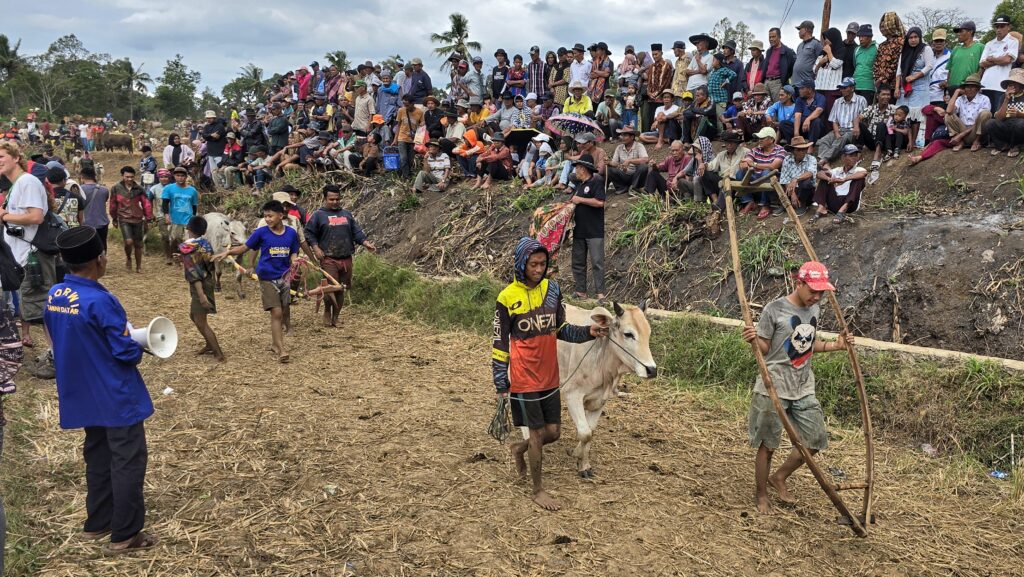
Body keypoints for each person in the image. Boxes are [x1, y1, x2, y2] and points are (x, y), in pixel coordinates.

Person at [45, 225, 158, 553]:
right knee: (127, 460)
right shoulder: (101, 300)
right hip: (114, 393)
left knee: (97, 456)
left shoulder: (56, 295)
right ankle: (125, 534)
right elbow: (124, 351)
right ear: (99, 260)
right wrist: (137, 343)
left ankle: (97, 523)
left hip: (82, 391)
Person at [492, 237, 607, 511]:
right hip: (523, 376)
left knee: (553, 433)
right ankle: (538, 489)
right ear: (522, 264)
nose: (538, 269)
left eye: (543, 264)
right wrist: (500, 382)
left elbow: (560, 329)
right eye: (533, 264)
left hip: (549, 376)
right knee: (535, 435)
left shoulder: (552, 291)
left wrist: (587, 332)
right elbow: (499, 344)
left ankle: (519, 449)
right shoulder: (506, 298)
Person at [742, 260, 854, 515]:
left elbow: (806, 344)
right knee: (768, 444)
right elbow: (766, 349)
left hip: (803, 385)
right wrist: (753, 339)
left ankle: (779, 477)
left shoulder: (814, 310)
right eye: (812, 291)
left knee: (814, 439)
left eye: (821, 292)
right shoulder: (775, 310)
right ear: (799, 283)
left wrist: (834, 346)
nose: (817, 297)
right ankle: (761, 494)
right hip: (774, 385)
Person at [214, 201, 298, 362]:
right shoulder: (261, 233)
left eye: (270, 216)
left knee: (284, 308)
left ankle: (275, 344)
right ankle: (281, 349)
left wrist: (295, 261)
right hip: (267, 278)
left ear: (281, 216)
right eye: (265, 216)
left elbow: (294, 252)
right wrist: (229, 252)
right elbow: (245, 248)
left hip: (285, 277)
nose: (267, 219)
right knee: (277, 312)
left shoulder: (291, 233)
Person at [0, 141, 55, 376]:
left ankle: (56, 358)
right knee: (34, 310)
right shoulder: (16, 185)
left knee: (44, 310)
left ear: (15, 157)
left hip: (33, 255)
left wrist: (4, 215)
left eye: (1, 156)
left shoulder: (28, 181)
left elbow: (36, 217)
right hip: (21, 255)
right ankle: (54, 354)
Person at [304, 185, 377, 327]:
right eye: (331, 199)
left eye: (337, 199)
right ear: (325, 199)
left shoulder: (346, 214)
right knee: (331, 288)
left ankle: (336, 317)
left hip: (346, 257)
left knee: (341, 288)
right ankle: (327, 311)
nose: (335, 202)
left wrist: (365, 243)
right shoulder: (318, 215)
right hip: (329, 258)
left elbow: (356, 232)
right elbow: (309, 233)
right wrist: (316, 248)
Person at [178, 216, 224, 362]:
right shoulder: (205, 244)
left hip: (200, 286)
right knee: (194, 315)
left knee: (201, 321)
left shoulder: (187, 248)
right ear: (204, 231)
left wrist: (201, 295)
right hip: (208, 281)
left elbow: (194, 273)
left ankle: (219, 354)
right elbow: (207, 262)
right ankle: (209, 345)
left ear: (188, 230)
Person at [569, 156, 606, 299]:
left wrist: (580, 200)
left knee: (597, 262)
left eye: (577, 168)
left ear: (583, 169)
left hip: (594, 230)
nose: (575, 171)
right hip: (579, 230)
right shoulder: (579, 185)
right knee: (578, 262)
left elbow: (599, 202)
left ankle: (600, 294)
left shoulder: (596, 181)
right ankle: (581, 291)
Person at [894, 27, 934, 150]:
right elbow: (899, 71)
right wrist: (896, 88)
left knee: (917, 115)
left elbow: (929, 66)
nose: (913, 40)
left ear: (920, 37)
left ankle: (917, 141)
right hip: (904, 87)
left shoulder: (925, 49)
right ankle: (902, 141)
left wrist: (914, 77)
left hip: (920, 86)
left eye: (915, 37)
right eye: (910, 37)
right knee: (903, 113)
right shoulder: (904, 51)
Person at [109, 166, 152, 274]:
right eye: (127, 177)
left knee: (138, 244)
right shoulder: (116, 188)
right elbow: (113, 204)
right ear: (122, 176)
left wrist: (148, 218)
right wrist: (114, 217)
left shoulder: (139, 189)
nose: (129, 179)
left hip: (137, 218)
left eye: (131, 177)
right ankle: (128, 257)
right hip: (123, 218)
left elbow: (146, 204)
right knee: (128, 241)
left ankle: (138, 266)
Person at [737, 127, 786, 219]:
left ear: (771, 139)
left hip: (772, 182)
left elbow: (773, 166)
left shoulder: (780, 150)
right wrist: (744, 163)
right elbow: (747, 160)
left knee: (767, 172)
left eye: (762, 138)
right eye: (759, 138)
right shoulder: (756, 150)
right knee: (740, 173)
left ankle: (765, 204)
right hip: (756, 179)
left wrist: (754, 164)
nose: (760, 140)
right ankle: (749, 201)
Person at [812, 144, 867, 223]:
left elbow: (864, 173)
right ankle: (821, 208)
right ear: (843, 157)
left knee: (860, 180)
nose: (854, 158)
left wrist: (844, 179)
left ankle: (842, 210)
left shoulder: (858, 169)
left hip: (850, 205)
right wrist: (829, 179)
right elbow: (819, 174)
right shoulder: (838, 170)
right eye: (851, 155)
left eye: (855, 155)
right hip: (834, 202)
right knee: (825, 176)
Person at [817, 78, 867, 164]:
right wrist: (836, 132)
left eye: (844, 87)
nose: (841, 90)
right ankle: (822, 159)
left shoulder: (861, 100)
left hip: (853, 131)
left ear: (852, 88)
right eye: (841, 88)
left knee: (841, 139)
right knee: (824, 140)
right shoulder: (837, 101)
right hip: (840, 129)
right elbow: (834, 121)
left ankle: (824, 160)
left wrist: (856, 126)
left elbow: (864, 118)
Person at [980, 15, 1019, 112]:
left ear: (1008, 27)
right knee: (985, 115)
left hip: (1000, 85)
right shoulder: (989, 43)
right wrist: (999, 60)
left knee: (997, 116)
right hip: (985, 84)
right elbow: (982, 64)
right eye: (997, 26)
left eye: (1002, 26)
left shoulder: (1013, 41)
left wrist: (992, 58)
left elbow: (1007, 60)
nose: (999, 29)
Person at [945, 74, 992, 152]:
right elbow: (949, 111)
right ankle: (960, 143)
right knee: (948, 115)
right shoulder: (960, 99)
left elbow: (981, 120)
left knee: (985, 113)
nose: (969, 89)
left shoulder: (984, 99)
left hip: (976, 132)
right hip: (962, 129)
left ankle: (977, 142)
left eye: (972, 87)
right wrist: (956, 92)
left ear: (977, 89)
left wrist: (961, 135)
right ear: (964, 89)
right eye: (967, 87)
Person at [856, 84, 897, 172]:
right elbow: (858, 118)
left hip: (886, 142)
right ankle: (858, 152)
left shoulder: (894, 110)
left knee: (881, 125)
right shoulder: (871, 108)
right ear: (877, 96)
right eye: (883, 94)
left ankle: (877, 154)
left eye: (888, 94)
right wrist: (856, 127)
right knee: (859, 124)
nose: (886, 97)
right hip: (872, 141)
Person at [985, 67, 1024, 157]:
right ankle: (1002, 145)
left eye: (1015, 83)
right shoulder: (1003, 97)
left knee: (1021, 124)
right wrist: (1006, 99)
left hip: (1020, 126)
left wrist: (1019, 114)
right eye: (1010, 83)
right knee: (990, 123)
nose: (1012, 86)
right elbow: (998, 118)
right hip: (1007, 125)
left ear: (1021, 85)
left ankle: (1016, 145)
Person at [161, 166, 199, 252]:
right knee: (175, 238)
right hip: (175, 219)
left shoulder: (192, 190)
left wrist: (194, 217)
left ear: (186, 177)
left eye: (182, 175)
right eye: (178, 175)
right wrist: (167, 215)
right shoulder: (169, 188)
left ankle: (185, 257)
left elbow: (194, 205)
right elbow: (165, 203)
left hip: (188, 218)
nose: (180, 177)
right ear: (174, 176)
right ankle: (175, 255)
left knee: (188, 240)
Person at [779, 136, 818, 215]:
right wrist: (792, 194)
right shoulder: (787, 159)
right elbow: (784, 179)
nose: (802, 152)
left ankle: (803, 204)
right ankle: (786, 203)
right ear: (793, 151)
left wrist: (796, 179)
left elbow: (810, 172)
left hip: (806, 191)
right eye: (798, 149)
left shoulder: (811, 159)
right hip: (791, 189)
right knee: (777, 180)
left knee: (806, 182)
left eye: (804, 149)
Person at [606, 126, 648, 194]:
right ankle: (621, 187)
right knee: (610, 169)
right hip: (624, 174)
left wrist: (630, 161)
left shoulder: (639, 146)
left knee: (643, 167)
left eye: (625, 135)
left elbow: (646, 159)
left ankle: (634, 187)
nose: (622, 137)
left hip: (636, 175)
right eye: (622, 135)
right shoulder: (619, 148)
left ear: (632, 137)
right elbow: (615, 163)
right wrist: (609, 162)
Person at [815, 28, 846, 116]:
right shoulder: (822, 51)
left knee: (830, 114)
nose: (825, 41)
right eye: (824, 38)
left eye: (827, 38)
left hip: (832, 88)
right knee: (819, 113)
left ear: (833, 37)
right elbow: (814, 69)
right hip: (819, 87)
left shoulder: (841, 50)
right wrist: (820, 63)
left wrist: (829, 52)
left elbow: (836, 64)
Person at [393, 95, 424, 179]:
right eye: (404, 104)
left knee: (410, 160)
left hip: (413, 140)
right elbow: (398, 126)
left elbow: (422, 126)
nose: (405, 106)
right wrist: (395, 139)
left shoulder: (419, 112)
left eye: (407, 105)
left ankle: (403, 173)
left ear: (412, 103)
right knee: (403, 158)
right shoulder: (401, 111)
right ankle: (406, 177)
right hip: (402, 137)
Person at [78, 165, 110, 248]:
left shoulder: (79, 190)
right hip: (102, 223)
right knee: (102, 246)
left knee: (88, 249)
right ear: (94, 176)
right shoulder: (104, 190)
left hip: (86, 224)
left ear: (82, 177)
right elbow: (104, 200)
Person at [947, 21, 983, 92]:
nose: (958, 34)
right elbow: (950, 70)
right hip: (952, 88)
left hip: (969, 88)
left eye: (961, 31)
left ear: (970, 32)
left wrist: (975, 84)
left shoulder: (980, 47)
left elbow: (983, 68)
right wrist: (948, 86)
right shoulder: (956, 49)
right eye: (958, 32)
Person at [644, 44, 674, 130]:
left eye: (656, 54)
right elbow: (649, 82)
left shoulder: (667, 66)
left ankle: (663, 137)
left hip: (661, 98)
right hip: (651, 98)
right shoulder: (651, 67)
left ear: (661, 53)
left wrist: (655, 94)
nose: (654, 56)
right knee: (651, 118)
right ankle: (651, 136)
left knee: (661, 118)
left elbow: (666, 82)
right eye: (653, 54)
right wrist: (649, 93)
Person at [764, 28, 796, 99]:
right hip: (767, 81)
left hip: (778, 82)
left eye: (773, 37)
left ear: (779, 37)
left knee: (778, 105)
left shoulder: (787, 51)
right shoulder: (769, 51)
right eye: (770, 37)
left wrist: (783, 80)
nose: (771, 39)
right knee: (766, 105)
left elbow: (791, 68)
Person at [853, 24, 879, 104]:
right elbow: (855, 65)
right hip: (855, 85)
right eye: (859, 37)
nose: (860, 39)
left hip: (869, 86)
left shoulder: (877, 48)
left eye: (863, 36)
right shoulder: (857, 49)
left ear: (870, 37)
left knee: (866, 112)